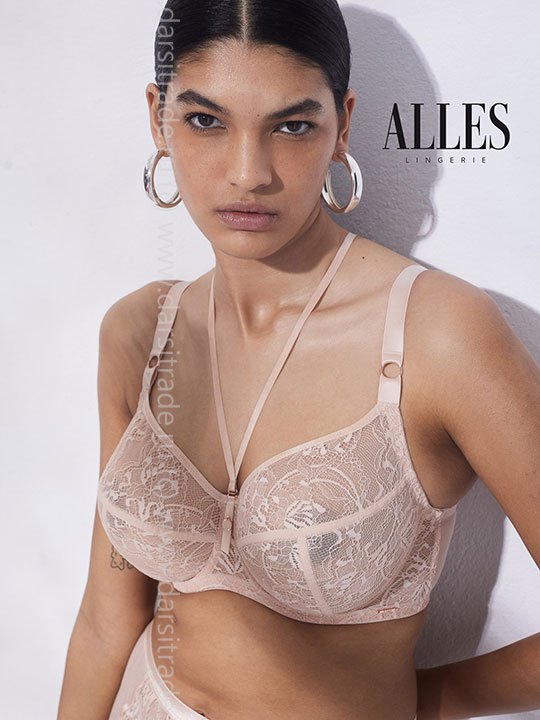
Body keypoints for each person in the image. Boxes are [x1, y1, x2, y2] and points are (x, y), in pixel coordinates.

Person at [57, 1, 540, 719]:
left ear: (341, 125)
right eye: (206, 120)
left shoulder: (438, 334)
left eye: (291, 126)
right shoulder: (140, 332)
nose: (248, 173)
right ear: (158, 118)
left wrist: (421, 702)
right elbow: (107, 618)